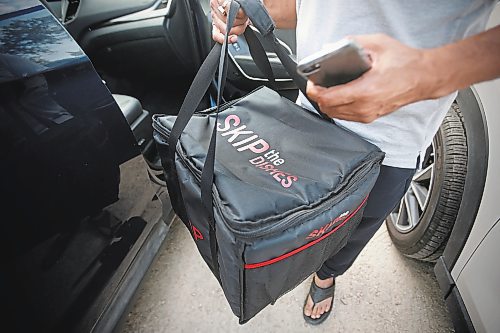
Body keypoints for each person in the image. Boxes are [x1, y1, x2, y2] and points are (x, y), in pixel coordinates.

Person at [210, 0, 500, 325]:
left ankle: (326, 277)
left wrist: (427, 73)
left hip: (391, 141)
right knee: (297, 218)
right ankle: (295, 265)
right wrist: (254, 9)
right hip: (307, 116)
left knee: (353, 232)